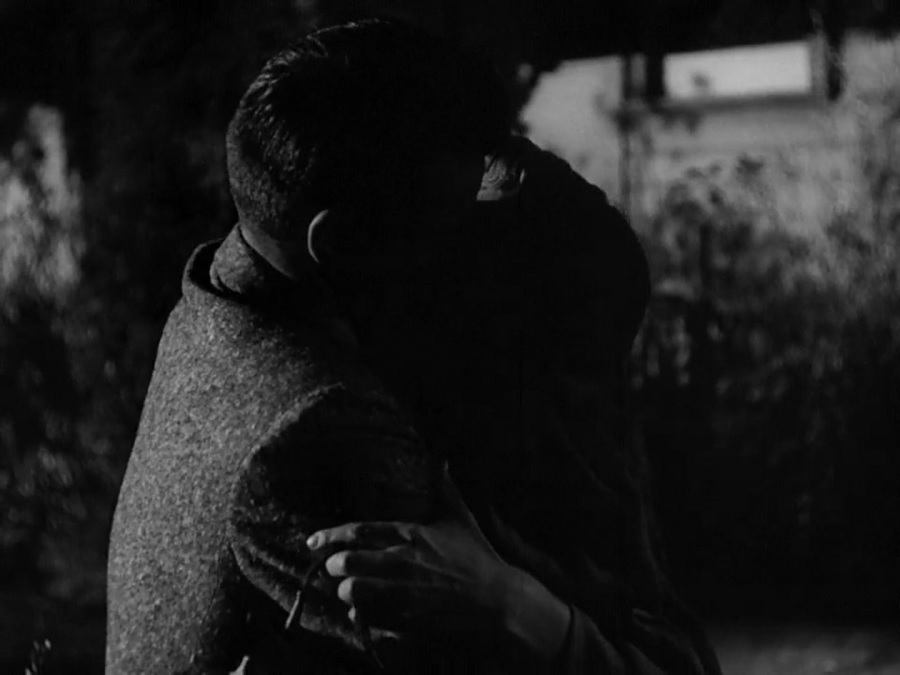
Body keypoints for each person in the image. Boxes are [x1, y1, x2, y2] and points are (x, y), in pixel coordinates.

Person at [106, 19, 720, 674]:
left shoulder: (214, 303)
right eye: (446, 218)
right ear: (338, 241)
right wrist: (516, 606)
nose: (457, 238)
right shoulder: (334, 426)